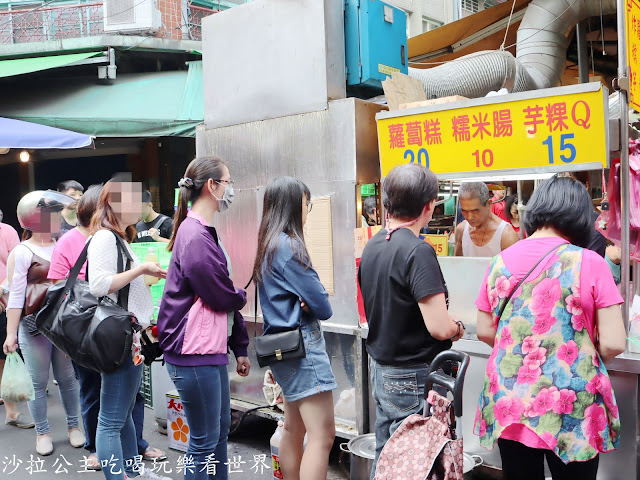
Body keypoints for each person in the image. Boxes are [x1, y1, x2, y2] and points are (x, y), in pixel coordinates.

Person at [474, 175, 626, 480]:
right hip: (571, 409)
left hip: (509, 402)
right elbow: (614, 342)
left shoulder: (499, 262)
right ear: (581, 217)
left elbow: (484, 331)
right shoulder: (590, 262)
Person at [358, 164, 465, 479]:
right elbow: (439, 327)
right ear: (429, 205)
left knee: (388, 453)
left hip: (381, 369)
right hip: (411, 374)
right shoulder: (418, 251)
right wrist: (458, 328)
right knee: (415, 463)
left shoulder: (375, 244)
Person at [158, 156, 249, 480]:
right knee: (204, 441)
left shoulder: (201, 231)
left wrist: (239, 347)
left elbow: (222, 296)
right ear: (212, 186)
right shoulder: (195, 234)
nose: (231, 188)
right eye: (228, 182)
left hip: (205, 351)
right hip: (192, 353)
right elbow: (221, 295)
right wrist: (241, 296)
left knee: (217, 435)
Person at [253, 176, 336, 480]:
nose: (307, 209)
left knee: (294, 427)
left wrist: (307, 299)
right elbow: (324, 306)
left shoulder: (268, 243)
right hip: (303, 348)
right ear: (293, 204)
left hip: (282, 348)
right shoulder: (289, 246)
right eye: (306, 203)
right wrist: (309, 301)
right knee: (323, 435)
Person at [87, 176, 167, 480]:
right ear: (113, 203)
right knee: (111, 420)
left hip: (130, 338)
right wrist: (142, 269)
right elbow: (98, 285)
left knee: (124, 416)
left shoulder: (119, 237)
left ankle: (132, 473)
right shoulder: (105, 237)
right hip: (119, 338)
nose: (138, 205)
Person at [3, 190, 85, 456]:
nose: (55, 219)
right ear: (33, 218)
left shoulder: (63, 243)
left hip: (61, 324)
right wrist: (10, 333)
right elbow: (15, 295)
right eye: (48, 214)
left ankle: (74, 427)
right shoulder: (22, 251)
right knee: (37, 382)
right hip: (32, 325)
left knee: (68, 378)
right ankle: (43, 433)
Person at [48, 185, 102, 469]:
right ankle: (94, 446)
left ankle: (137, 444)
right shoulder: (67, 242)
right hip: (82, 327)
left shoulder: (113, 237)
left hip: (116, 325)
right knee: (92, 388)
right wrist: (65, 340)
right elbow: (56, 289)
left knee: (132, 391)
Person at [0, 208, 34, 428]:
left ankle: (11, 412)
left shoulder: (6, 231)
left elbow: (14, 269)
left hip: (3, 300)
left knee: (5, 354)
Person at [455, 182, 519, 257]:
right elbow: (457, 264)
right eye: (464, 211)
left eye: (475, 211)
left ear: (489, 204)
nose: (470, 217)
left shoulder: (507, 235)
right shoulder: (461, 230)